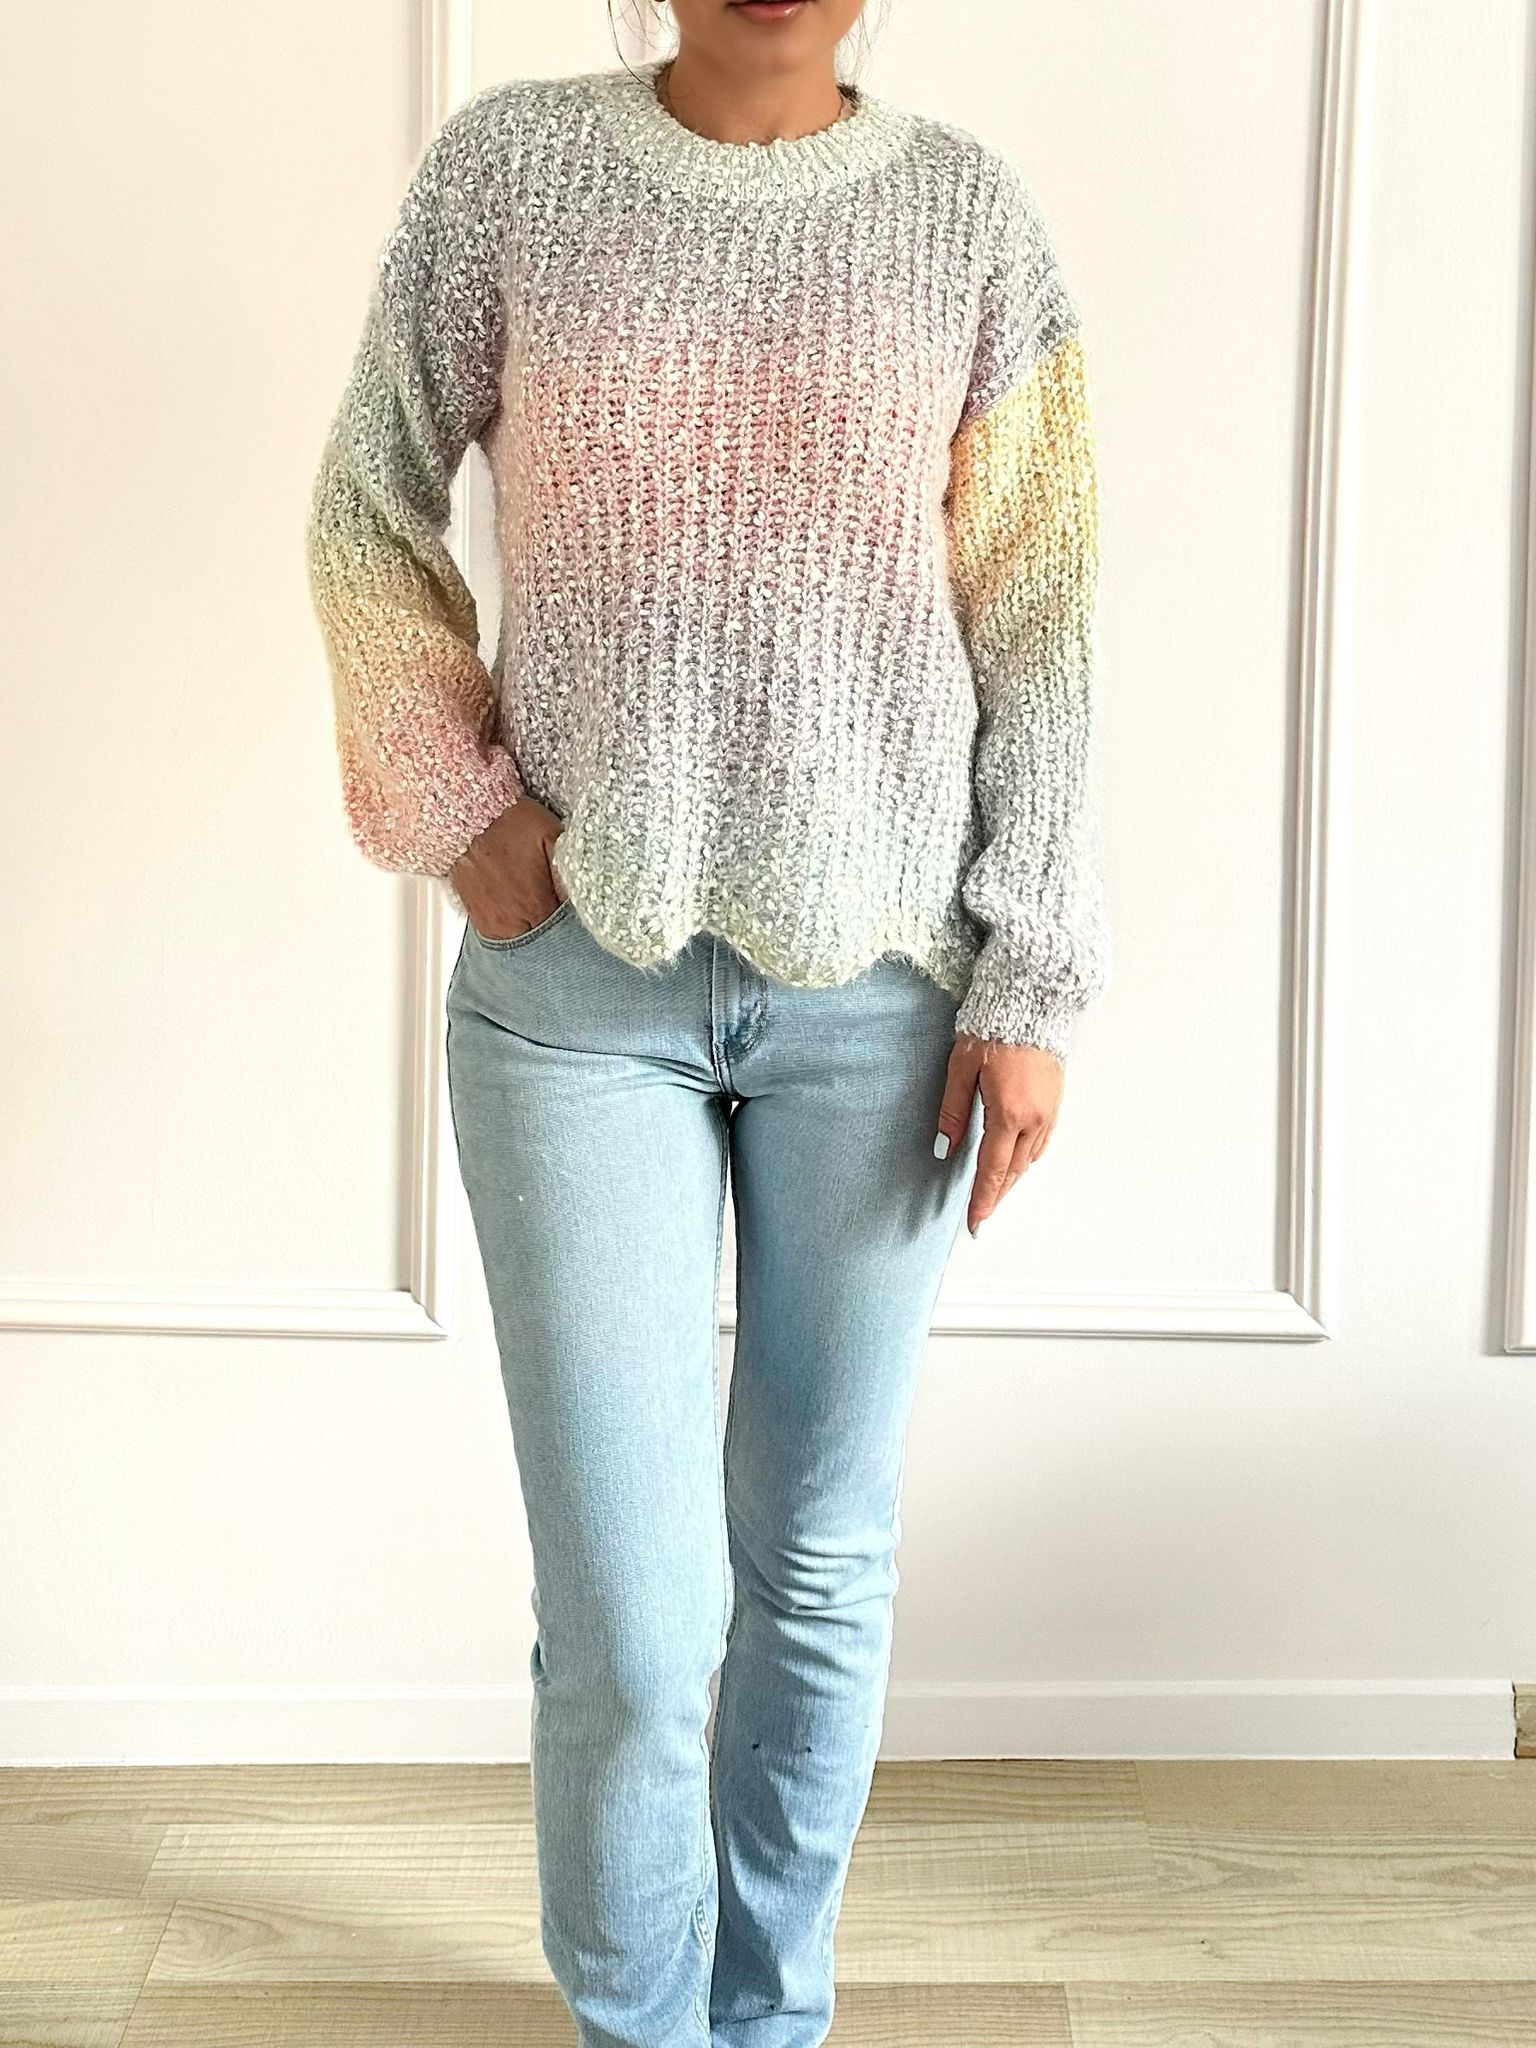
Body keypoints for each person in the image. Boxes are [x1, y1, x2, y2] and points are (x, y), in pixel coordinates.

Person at [304, 2, 1108, 2040]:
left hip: (888, 1000)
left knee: (817, 1563)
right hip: (576, 998)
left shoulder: (967, 220)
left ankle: (770, 2016)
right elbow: (364, 510)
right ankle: (642, 2026)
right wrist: (464, 812)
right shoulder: (510, 176)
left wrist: (1031, 966)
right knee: (637, 1624)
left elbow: (1040, 611)